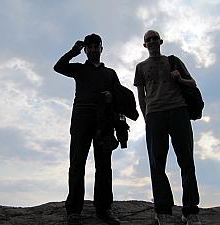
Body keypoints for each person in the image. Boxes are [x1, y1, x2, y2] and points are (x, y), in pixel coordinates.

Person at [133, 30, 202, 225]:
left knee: (187, 160)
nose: (153, 41)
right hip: (155, 115)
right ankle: (162, 210)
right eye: (149, 39)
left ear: (161, 41)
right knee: (157, 163)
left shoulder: (173, 61)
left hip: (178, 110)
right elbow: (141, 95)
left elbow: (193, 83)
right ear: (144, 44)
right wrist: (146, 116)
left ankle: (190, 211)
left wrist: (179, 79)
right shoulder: (140, 67)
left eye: (155, 38)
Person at [53, 33, 121, 225]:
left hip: (104, 122)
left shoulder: (110, 73)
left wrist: (111, 96)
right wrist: (73, 51)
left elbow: (119, 96)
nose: (93, 49)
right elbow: (58, 67)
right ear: (85, 50)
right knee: (77, 164)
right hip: (81, 120)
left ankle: (104, 209)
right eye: (89, 47)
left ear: (101, 48)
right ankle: (74, 211)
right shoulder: (79, 70)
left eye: (96, 46)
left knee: (104, 167)